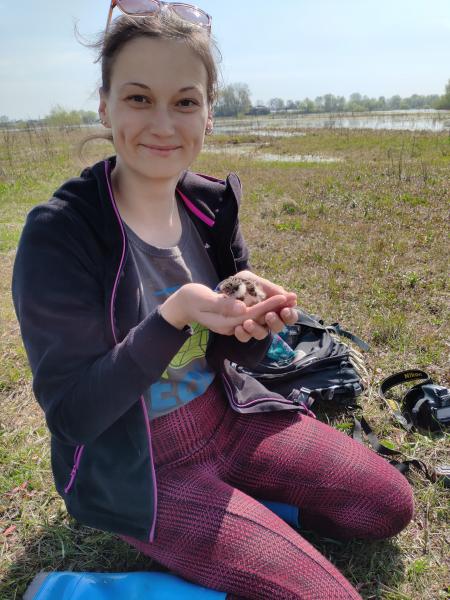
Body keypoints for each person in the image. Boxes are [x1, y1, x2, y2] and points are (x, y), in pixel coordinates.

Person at [12, 2, 414, 598]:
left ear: (208, 113)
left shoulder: (209, 207)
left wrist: (253, 327)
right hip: (140, 464)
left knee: (387, 505)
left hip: (228, 420)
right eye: (139, 97)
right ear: (104, 104)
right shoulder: (61, 233)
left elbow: (232, 357)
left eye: (185, 101)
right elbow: (74, 416)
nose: (163, 124)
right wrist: (172, 315)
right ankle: (78, 589)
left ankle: (252, 523)